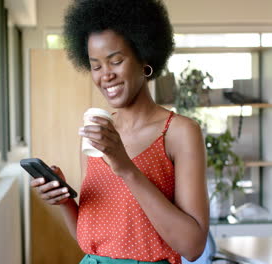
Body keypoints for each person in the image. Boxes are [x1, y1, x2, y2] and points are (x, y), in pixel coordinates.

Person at [30, 0, 209, 263]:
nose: (106, 75)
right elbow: (92, 242)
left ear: (144, 57)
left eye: (116, 61)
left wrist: (124, 166)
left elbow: (193, 247)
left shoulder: (179, 132)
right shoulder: (98, 132)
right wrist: (64, 200)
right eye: (96, 65)